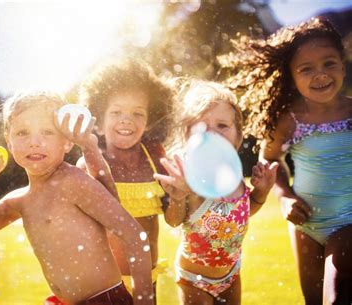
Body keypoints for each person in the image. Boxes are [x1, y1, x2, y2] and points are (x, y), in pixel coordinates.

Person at [0, 92, 155, 305]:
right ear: (9, 142)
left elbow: (134, 235)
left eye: (47, 132)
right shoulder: (19, 201)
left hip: (106, 300)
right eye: (22, 132)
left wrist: (144, 301)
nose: (34, 142)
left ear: (67, 142)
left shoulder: (72, 181)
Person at [221, 18, 352, 305]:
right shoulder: (289, 119)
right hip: (304, 224)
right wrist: (285, 197)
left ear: (343, 64)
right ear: (291, 76)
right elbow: (270, 160)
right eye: (306, 69)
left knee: (337, 297)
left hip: (348, 224)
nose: (320, 75)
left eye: (329, 63)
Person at [154, 80, 278, 305]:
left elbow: (244, 212)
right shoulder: (189, 177)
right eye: (201, 127)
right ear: (186, 135)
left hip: (231, 274)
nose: (212, 134)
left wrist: (262, 192)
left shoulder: (234, 176)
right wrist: (178, 198)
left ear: (238, 136)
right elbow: (174, 221)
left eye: (222, 125)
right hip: (194, 279)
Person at [78, 58, 175, 301]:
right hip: (105, 284)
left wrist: (179, 194)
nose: (126, 120)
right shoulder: (89, 164)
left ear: (149, 120)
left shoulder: (156, 157)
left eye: (137, 113)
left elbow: (173, 217)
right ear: (98, 122)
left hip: (147, 276)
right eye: (116, 112)